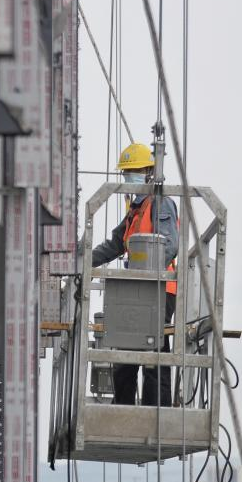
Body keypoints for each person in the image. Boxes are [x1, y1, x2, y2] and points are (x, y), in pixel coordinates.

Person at [92, 142, 179, 406]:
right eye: (127, 173)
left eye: (136, 171)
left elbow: (170, 244)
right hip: (138, 292)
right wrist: (80, 262)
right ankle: (124, 411)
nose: (130, 178)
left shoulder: (160, 204)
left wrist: (146, 273)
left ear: (149, 173)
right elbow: (113, 245)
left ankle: (156, 416)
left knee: (154, 353)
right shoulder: (134, 213)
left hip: (160, 290)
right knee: (126, 354)